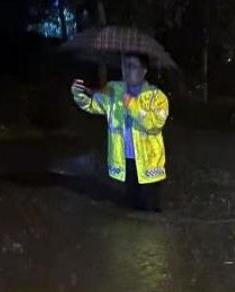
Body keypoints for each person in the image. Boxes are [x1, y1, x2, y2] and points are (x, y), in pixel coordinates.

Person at [71, 53, 169, 211]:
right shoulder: (114, 90)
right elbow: (92, 104)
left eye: (132, 66)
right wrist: (79, 94)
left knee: (150, 211)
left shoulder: (157, 97)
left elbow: (155, 124)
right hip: (125, 161)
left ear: (144, 70)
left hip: (149, 164)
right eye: (124, 66)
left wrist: (132, 105)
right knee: (131, 207)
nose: (126, 70)